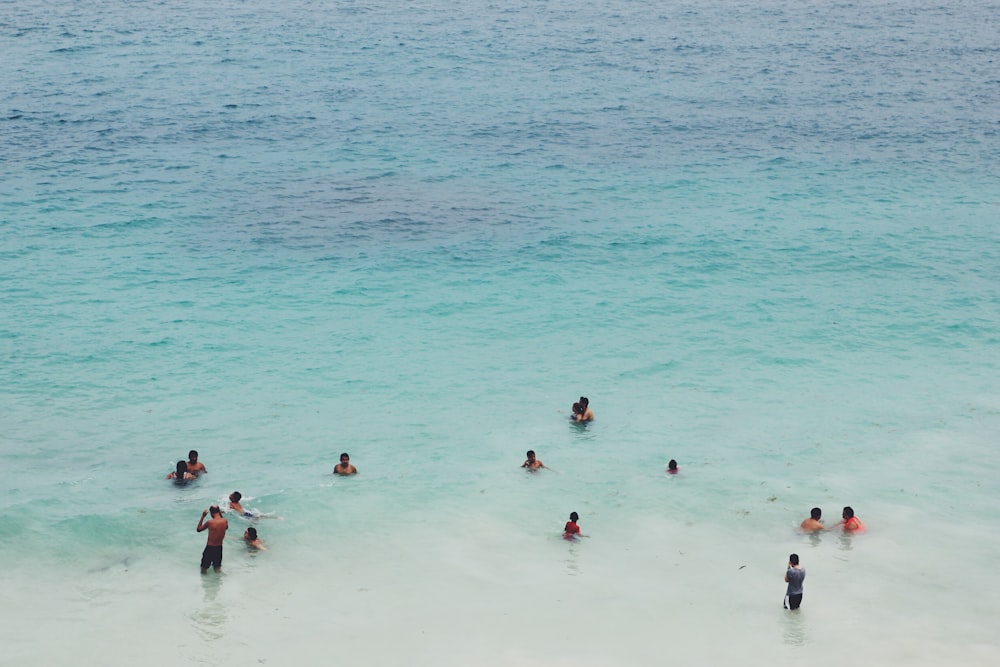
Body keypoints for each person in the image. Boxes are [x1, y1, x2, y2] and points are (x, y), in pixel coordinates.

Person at [197, 505, 229, 574]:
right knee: (217, 567)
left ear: (211, 513)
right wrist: (220, 515)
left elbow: (199, 529)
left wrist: (203, 516)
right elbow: (226, 528)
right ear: (219, 511)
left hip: (210, 548)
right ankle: (218, 582)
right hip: (219, 548)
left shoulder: (210, 522)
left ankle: (205, 582)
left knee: (204, 568)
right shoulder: (225, 521)